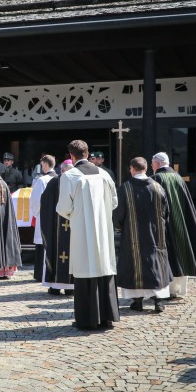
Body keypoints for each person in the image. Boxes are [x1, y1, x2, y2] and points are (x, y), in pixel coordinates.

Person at [56, 140, 119, 330]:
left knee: (85, 268)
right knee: (104, 266)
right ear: (88, 153)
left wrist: (76, 215)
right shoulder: (104, 174)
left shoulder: (70, 176)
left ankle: (87, 319)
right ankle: (107, 317)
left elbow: (63, 208)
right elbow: (114, 202)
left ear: (71, 156)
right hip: (104, 230)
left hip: (82, 231)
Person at [114, 157, 173, 313]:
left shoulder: (125, 188)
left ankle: (137, 301)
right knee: (156, 264)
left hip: (133, 237)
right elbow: (166, 212)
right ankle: (158, 301)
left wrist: (119, 228)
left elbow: (118, 214)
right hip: (156, 236)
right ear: (146, 168)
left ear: (132, 169)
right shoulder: (158, 188)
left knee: (135, 265)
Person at [151, 152, 196, 298]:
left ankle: (167, 289)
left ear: (158, 163)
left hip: (165, 224)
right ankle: (179, 289)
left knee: (168, 255)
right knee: (182, 253)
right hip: (182, 222)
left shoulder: (155, 178)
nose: (152, 166)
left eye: (152, 162)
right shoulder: (178, 177)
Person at [40, 160, 74, 295]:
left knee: (55, 251)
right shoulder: (75, 182)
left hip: (55, 228)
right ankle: (70, 286)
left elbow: (44, 205)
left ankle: (55, 286)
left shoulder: (54, 182)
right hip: (72, 227)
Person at [30, 154, 57, 281]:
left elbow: (35, 201)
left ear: (45, 164)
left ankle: (41, 274)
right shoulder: (59, 178)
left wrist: (35, 214)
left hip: (44, 217)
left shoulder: (42, 180)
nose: (41, 167)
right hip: (57, 218)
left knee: (42, 245)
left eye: (42, 165)